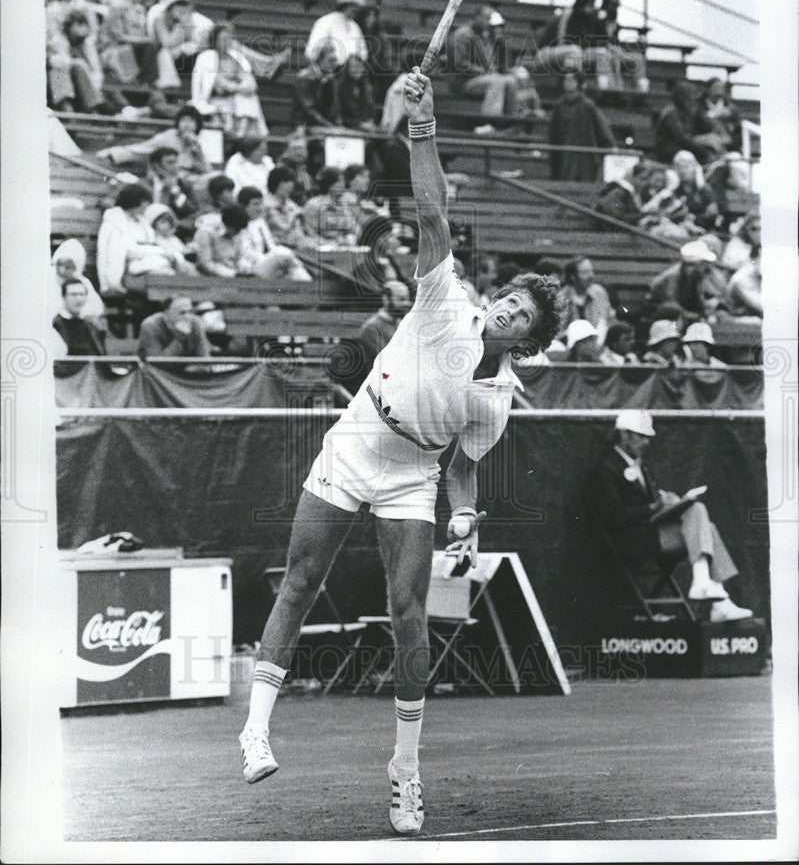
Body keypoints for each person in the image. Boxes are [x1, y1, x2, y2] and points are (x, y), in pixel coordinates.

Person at [237, 66, 563, 837]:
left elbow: (463, 466)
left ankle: (405, 770)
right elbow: (429, 207)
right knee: (301, 584)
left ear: (529, 341)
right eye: (511, 295)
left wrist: (464, 515)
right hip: (355, 439)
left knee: (408, 615)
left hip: (412, 475)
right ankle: (254, 728)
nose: (509, 307)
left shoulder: (495, 401)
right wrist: (421, 123)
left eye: (522, 314)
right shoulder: (444, 294)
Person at [590, 410, 752, 621]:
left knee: (700, 516)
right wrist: (654, 507)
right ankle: (713, 595)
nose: (646, 442)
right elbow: (613, 517)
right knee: (701, 517)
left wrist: (667, 501)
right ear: (624, 435)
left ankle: (712, 594)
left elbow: (645, 500)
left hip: (652, 533)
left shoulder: (638, 465)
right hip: (633, 542)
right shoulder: (606, 469)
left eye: (648, 437)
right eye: (641, 436)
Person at [449, 5, 524, 127]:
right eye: (486, 18)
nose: (488, 21)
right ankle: (489, 122)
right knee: (497, 81)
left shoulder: (485, 36)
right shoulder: (462, 34)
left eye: (489, 18)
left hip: (482, 78)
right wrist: (484, 72)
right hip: (463, 82)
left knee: (511, 80)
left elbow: (492, 64)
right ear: (477, 17)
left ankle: (512, 121)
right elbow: (460, 64)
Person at [191, 22, 268, 137]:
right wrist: (236, 87)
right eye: (222, 39)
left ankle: (241, 132)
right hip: (215, 98)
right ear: (215, 40)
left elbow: (250, 83)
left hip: (234, 97)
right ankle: (229, 128)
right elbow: (217, 84)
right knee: (237, 98)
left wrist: (237, 88)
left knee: (247, 98)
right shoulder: (206, 57)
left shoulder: (236, 57)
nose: (225, 42)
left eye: (228, 39)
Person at [96, 182, 170, 297]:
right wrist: (162, 251)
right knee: (165, 279)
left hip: (147, 265)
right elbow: (129, 251)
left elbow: (152, 243)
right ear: (138, 202)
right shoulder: (115, 222)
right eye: (145, 204)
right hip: (127, 273)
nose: (146, 208)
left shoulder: (142, 221)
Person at [98, 105, 210, 182]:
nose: (187, 124)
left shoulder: (199, 142)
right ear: (178, 122)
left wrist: (197, 152)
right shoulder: (168, 137)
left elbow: (206, 171)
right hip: (167, 179)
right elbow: (142, 148)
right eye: (184, 120)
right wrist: (113, 153)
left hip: (190, 181)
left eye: (191, 121)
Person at [548, 71, 615, 182]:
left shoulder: (588, 105)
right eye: (566, 80)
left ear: (578, 82)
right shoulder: (559, 106)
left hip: (585, 157)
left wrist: (610, 145)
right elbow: (553, 134)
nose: (568, 83)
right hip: (564, 156)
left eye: (571, 80)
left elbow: (602, 129)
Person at [235, 187, 312, 282]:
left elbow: (270, 246)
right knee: (282, 252)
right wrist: (272, 258)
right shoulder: (238, 224)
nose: (259, 208)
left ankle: (308, 283)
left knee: (296, 273)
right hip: (251, 269)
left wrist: (275, 261)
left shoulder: (260, 222)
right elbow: (245, 253)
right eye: (255, 204)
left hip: (268, 266)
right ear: (244, 206)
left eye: (260, 204)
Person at [99, 0, 159, 88]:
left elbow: (140, 33)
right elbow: (117, 36)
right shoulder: (118, 5)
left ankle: (148, 83)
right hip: (113, 46)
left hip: (134, 44)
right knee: (148, 45)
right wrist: (143, 40)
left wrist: (143, 40)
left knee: (152, 46)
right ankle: (146, 83)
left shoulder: (139, 8)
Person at [654, 81, 725, 165]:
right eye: (690, 99)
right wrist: (706, 154)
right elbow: (683, 140)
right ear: (682, 99)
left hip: (681, 149)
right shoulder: (671, 114)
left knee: (710, 144)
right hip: (670, 152)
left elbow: (691, 137)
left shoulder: (684, 113)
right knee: (693, 155)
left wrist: (707, 139)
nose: (693, 103)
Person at [592, 0, 649, 93]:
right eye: (612, 3)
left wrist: (617, 47)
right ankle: (613, 91)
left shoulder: (614, 21)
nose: (614, 6)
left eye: (616, 4)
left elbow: (615, 41)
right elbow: (594, 39)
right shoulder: (598, 17)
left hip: (615, 51)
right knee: (612, 57)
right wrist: (609, 47)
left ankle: (642, 93)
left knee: (638, 58)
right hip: (602, 52)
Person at [356, 279, 412, 372]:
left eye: (407, 299)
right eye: (401, 299)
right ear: (386, 299)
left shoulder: (403, 323)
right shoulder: (372, 328)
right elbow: (389, 362)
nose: (407, 304)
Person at [305, 0, 368, 68]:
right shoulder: (326, 21)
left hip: (348, 72)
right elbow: (312, 49)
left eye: (358, 10)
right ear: (345, 6)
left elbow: (363, 52)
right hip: (328, 69)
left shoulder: (355, 27)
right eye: (353, 8)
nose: (356, 12)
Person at [559, 255, 615, 345]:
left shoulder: (599, 292)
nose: (591, 276)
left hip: (599, 345)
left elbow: (607, 321)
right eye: (585, 272)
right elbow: (558, 331)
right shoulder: (562, 297)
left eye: (591, 271)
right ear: (572, 276)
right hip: (570, 347)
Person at [49, 238, 105, 324]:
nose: (63, 269)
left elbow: (97, 308)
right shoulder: (49, 281)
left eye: (69, 266)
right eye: (60, 264)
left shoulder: (82, 282)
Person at [301, 167, 360, 246]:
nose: (343, 185)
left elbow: (353, 228)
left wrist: (349, 239)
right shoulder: (313, 205)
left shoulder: (343, 205)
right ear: (330, 184)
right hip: (321, 248)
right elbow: (310, 234)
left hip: (344, 247)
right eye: (340, 181)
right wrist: (331, 244)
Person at [137, 296, 211, 359]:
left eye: (190, 312)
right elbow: (157, 364)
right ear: (166, 314)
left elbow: (204, 358)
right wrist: (179, 338)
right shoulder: (150, 325)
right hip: (156, 373)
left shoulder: (195, 322)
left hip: (188, 372)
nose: (188, 317)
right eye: (182, 313)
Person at [52, 279, 108, 356]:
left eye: (82, 294)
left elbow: (101, 358)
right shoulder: (55, 326)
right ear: (63, 297)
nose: (78, 299)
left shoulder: (91, 326)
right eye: (73, 295)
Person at [291, 42, 339, 129]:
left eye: (335, 60)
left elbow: (335, 106)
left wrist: (336, 125)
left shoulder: (332, 79)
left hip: (326, 125)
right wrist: (328, 125)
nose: (334, 64)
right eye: (330, 60)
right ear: (320, 60)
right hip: (304, 124)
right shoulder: (303, 78)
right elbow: (308, 109)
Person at [144, 204, 198, 275]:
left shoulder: (173, 239)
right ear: (153, 224)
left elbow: (181, 250)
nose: (167, 225)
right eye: (163, 222)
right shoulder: (153, 240)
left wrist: (190, 249)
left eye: (169, 222)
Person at [693, 77, 742, 154]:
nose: (719, 91)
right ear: (708, 89)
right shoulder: (699, 108)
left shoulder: (732, 109)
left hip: (729, 147)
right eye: (715, 88)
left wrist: (729, 141)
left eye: (721, 88)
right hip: (707, 147)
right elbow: (695, 130)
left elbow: (738, 132)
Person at [264, 167, 308, 249]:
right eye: (285, 182)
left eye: (291, 182)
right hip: (274, 246)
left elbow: (299, 230)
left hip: (295, 245)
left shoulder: (293, 207)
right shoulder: (264, 206)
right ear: (276, 183)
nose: (289, 186)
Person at [333, 54, 376, 129]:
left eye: (360, 67)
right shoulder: (338, 87)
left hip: (365, 130)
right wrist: (359, 124)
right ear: (347, 69)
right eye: (354, 66)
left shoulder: (367, 88)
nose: (358, 70)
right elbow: (338, 116)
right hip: (345, 129)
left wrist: (369, 122)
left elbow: (370, 112)